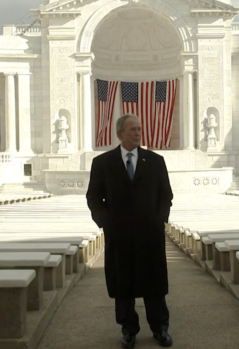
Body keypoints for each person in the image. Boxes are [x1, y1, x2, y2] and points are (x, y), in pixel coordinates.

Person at [86, 114, 174, 348]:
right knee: (123, 285)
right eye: (133, 129)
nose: (138, 133)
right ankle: (128, 329)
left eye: (139, 129)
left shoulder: (156, 161)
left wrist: (159, 221)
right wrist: (106, 223)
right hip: (120, 236)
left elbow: (166, 195)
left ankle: (160, 328)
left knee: (154, 284)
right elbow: (94, 197)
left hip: (150, 236)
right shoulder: (103, 163)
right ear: (119, 134)